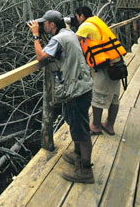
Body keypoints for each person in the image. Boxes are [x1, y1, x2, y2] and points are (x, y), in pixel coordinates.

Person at [28, 10, 94, 184]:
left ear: (53, 24)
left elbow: (41, 57)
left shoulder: (59, 39)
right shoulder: (68, 33)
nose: (43, 26)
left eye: (45, 24)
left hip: (76, 91)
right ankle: (78, 155)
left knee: (81, 129)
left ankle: (86, 170)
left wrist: (35, 36)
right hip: (81, 87)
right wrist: (42, 36)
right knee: (73, 121)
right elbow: (56, 52)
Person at [75, 6, 124, 136]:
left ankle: (96, 126)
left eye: (77, 17)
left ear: (81, 16)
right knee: (114, 97)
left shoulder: (85, 26)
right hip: (117, 64)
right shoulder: (96, 20)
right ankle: (109, 125)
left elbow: (73, 42)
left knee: (98, 96)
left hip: (107, 68)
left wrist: (68, 29)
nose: (77, 20)